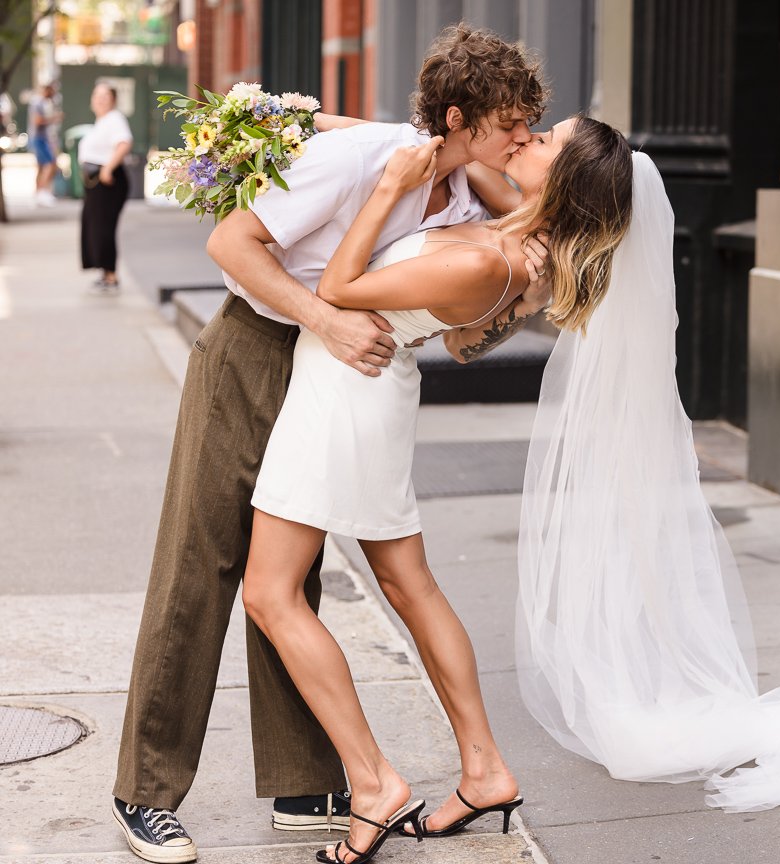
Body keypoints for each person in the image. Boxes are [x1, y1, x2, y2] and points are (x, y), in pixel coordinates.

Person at [111, 24, 548, 864]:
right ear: (459, 118)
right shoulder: (362, 166)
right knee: (202, 562)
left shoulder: (465, 190)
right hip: (254, 349)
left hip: (339, 376)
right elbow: (230, 244)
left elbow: (508, 267)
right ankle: (146, 793)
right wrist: (328, 320)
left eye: (529, 127)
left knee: (295, 577)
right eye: (509, 125)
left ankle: (304, 782)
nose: (520, 139)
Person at [240, 114, 633, 864]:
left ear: (565, 182)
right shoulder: (513, 228)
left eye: (546, 140)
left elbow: (339, 288)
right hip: (368, 385)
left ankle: (373, 783)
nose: (529, 138)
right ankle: (484, 770)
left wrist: (388, 188)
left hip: (344, 391)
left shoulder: (497, 262)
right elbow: (440, 138)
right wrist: (303, 116)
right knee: (409, 584)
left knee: (270, 593)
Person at [514, 150, 780, 811]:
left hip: (624, 420)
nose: (534, 138)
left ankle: (644, 675)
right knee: (622, 554)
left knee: (626, 556)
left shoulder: (610, 234)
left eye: (547, 136)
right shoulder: (607, 250)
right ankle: (640, 668)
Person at [79, 83, 132, 294]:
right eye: (97, 95)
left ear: (113, 100)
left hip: (108, 180)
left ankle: (111, 276)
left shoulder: (115, 119)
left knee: (103, 227)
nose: (100, 99)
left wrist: (108, 169)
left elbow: (124, 143)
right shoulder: (101, 122)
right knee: (93, 226)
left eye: (105, 96)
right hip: (95, 183)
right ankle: (104, 272)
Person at [28, 81, 62, 207]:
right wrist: (55, 118)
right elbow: (37, 121)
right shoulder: (38, 102)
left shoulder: (43, 102)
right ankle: (42, 193)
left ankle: (38, 194)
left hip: (40, 138)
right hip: (38, 138)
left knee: (41, 167)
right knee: (50, 164)